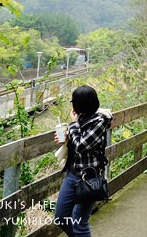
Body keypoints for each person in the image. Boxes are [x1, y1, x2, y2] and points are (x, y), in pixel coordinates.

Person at [54, 85, 112, 237]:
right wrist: (66, 139)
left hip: (89, 177)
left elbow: (81, 146)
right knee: (61, 217)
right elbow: (76, 141)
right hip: (73, 173)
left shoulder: (100, 121)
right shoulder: (81, 117)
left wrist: (73, 125)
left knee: (80, 222)